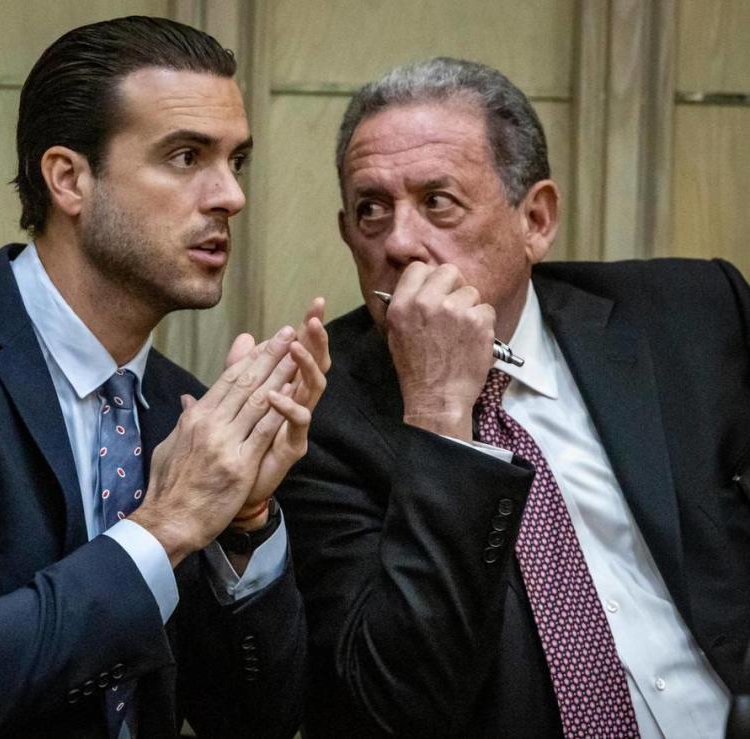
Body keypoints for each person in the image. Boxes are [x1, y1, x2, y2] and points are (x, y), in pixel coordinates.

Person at [0, 16, 329, 738]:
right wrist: (167, 525)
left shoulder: (183, 407)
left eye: (237, 161)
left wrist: (244, 523)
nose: (229, 195)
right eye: (185, 156)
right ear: (69, 178)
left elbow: (254, 721)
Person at [278, 56, 750, 738]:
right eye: (371, 210)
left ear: (536, 218)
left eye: (437, 201)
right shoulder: (319, 415)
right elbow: (393, 706)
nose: (400, 241)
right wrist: (440, 417)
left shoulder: (692, 313)